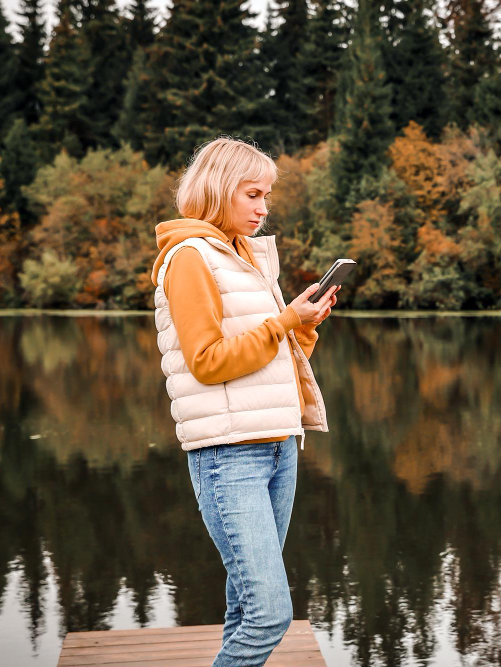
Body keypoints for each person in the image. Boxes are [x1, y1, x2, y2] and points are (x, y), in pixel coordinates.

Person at [149, 136, 340, 666]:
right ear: (217, 189)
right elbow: (209, 361)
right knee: (269, 614)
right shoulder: (189, 258)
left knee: (244, 607)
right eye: (252, 194)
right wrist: (284, 321)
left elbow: (265, 353)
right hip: (230, 456)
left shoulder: (242, 256)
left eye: (267, 197)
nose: (263, 208)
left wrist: (304, 325)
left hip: (278, 446)